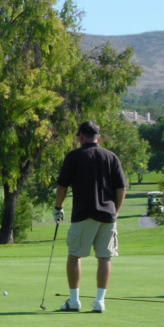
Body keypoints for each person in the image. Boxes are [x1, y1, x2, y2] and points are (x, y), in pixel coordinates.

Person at [53, 121, 126, 313]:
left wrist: (58, 207)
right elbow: (121, 188)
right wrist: (115, 211)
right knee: (104, 258)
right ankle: (99, 302)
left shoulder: (74, 156)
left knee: (75, 255)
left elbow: (62, 186)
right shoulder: (111, 157)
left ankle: (74, 301)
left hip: (83, 214)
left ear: (81, 136)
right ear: (98, 137)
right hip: (108, 215)